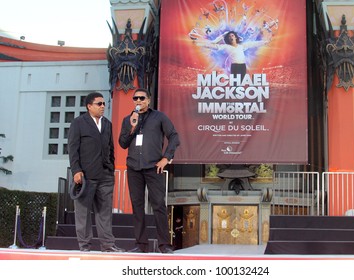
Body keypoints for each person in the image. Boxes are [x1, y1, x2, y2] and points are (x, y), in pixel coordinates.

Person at [119, 88, 180, 254]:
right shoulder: (128, 119)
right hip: (133, 168)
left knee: (158, 205)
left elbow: (174, 136)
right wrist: (132, 127)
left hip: (154, 167)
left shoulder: (159, 117)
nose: (138, 101)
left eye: (142, 98)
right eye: (135, 98)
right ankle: (141, 245)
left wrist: (166, 158)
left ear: (149, 100)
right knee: (137, 206)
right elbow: (122, 143)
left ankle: (164, 245)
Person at [68, 92, 125, 253]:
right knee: (83, 213)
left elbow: (111, 148)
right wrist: (76, 170)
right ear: (89, 106)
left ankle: (108, 245)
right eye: (99, 104)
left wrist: (111, 168)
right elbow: (73, 149)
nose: (102, 107)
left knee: (105, 212)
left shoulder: (107, 123)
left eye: (103, 104)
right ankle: (84, 245)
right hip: (85, 176)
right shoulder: (78, 123)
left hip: (105, 176)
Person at [194, 30, 268, 80]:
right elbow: (214, 46)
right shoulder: (226, 46)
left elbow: (253, 44)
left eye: (232, 35)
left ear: (235, 37)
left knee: (242, 81)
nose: (231, 37)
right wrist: (199, 44)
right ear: (228, 39)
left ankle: (239, 96)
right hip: (234, 67)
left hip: (243, 66)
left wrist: (265, 42)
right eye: (229, 36)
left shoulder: (241, 46)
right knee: (235, 82)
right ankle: (235, 95)